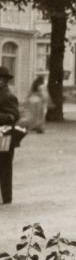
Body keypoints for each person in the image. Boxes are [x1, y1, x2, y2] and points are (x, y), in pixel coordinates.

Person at [0, 66, 23, 205]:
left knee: (4, 165)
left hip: (5, 135)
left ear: (2, 80)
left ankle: (7, 197)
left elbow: (13, 116)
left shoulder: (8, 96)